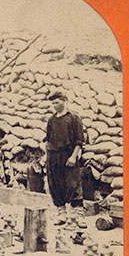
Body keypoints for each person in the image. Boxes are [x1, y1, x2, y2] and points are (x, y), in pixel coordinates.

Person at [43, 91, 87, 228]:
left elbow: (79, 141)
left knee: (73, 184)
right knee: (55, 184)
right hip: (53, 156)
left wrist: (74, 156)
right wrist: (46, 157)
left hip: (68, 155)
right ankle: (61, 213)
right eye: (53, 103)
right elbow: (48, 139)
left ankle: (78, 216)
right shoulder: (52, 120)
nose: (55, 105)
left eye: (57, 102)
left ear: (64, 101)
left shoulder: (74, 118)